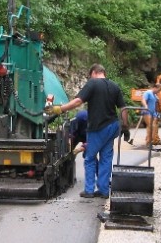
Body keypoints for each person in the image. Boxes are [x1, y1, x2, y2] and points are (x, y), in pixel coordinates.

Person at [45, 64, 129, 199]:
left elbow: (78, 101)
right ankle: (103, 190)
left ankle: (89, 190)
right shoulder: (114, 86)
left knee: (90, 158)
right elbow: (124, 109)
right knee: (106, 158)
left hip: (98, 127)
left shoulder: (93, 83)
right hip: (112, 126)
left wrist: (60, 109)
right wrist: (125, 126)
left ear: (94, 73)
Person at [141, 83, 161, 147]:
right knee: (150, 126)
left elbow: (155, 104)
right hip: (147, 112)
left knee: (154, 127)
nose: (158, 91)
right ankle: (148, 142)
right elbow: (143, 100)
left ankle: (152, 140)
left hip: (153, 113)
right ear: (155, 88)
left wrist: (157, 113)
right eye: (158, 90)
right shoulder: (148, 93)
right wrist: (145, 106)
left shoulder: (154, 95)